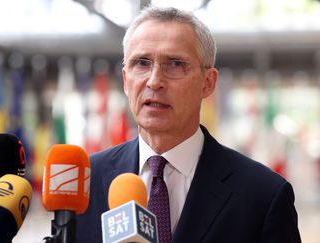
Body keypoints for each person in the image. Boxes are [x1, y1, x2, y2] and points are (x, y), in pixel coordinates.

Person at [76, 6, 302, 243]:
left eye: (174, 64)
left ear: (208, 83)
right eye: (142, 63)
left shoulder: (263, 195)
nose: (154, 81)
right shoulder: (85, 183)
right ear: (125, 80)